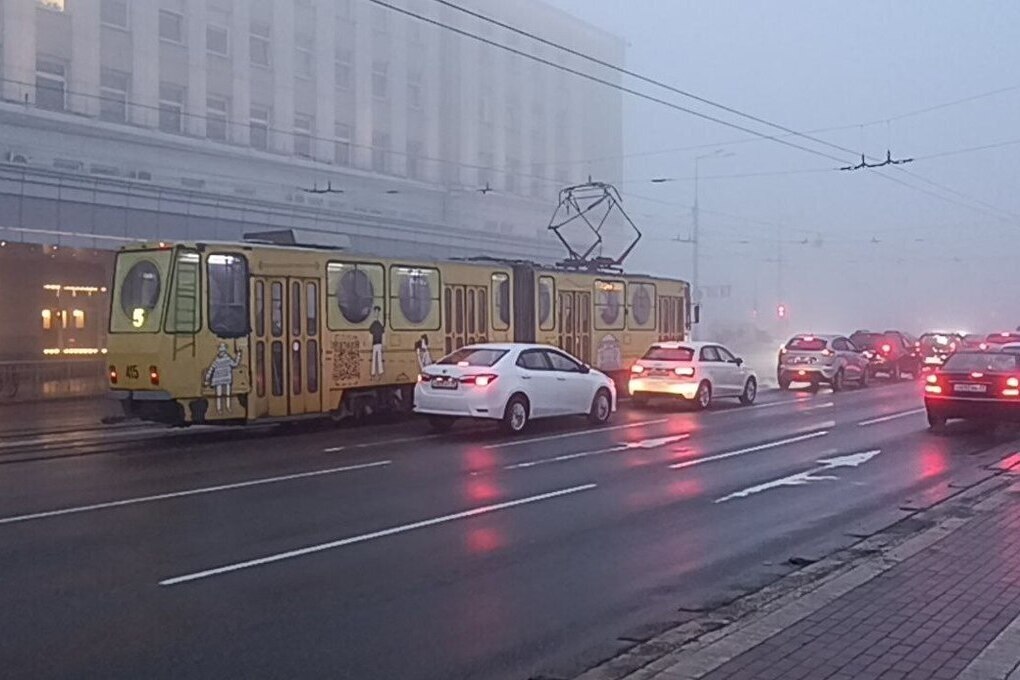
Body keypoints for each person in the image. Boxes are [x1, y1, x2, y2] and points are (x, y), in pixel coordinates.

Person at [205, 342, 243, 414]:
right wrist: (239, 355)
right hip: (224, 379)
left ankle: (224, 408)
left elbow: (211, 369)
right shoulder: (225, 358)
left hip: (220, 379)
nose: (221, 352)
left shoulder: (219, 359)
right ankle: (223, 408)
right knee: (223, 395)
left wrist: (207, 378)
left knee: (222, 395)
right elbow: (235, 364)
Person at [369, 306, 385, 378]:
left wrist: (383, 343)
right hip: (375, 343)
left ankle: (379, 371)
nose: (377, 314)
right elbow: (371, 333)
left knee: (378, 357)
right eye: (376, 312)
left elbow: (383, 333)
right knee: (375, 357)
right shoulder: (374, 324)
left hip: (379, 343)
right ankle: (374, 372)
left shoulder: (379, 324)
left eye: (378, 312)